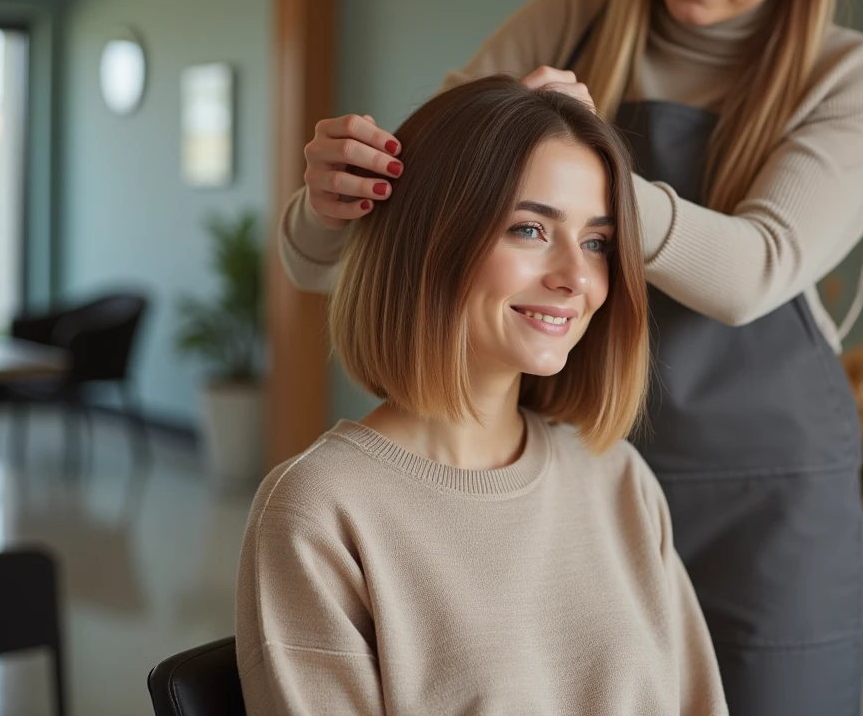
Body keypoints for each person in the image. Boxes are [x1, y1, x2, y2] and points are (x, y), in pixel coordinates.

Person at [281, 0, 863, 712]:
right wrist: (331, 202)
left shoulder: (850, 73)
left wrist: (584, 168)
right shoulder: (576, 15)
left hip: (766, 501)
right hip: (573, 465)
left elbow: (756, 271)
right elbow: (418, 212)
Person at [237, 75, 728, 715]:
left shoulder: (618, 481)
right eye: (529, 229)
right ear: (427, 242)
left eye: (597, 242)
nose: (577, 278)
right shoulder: (320, 512)